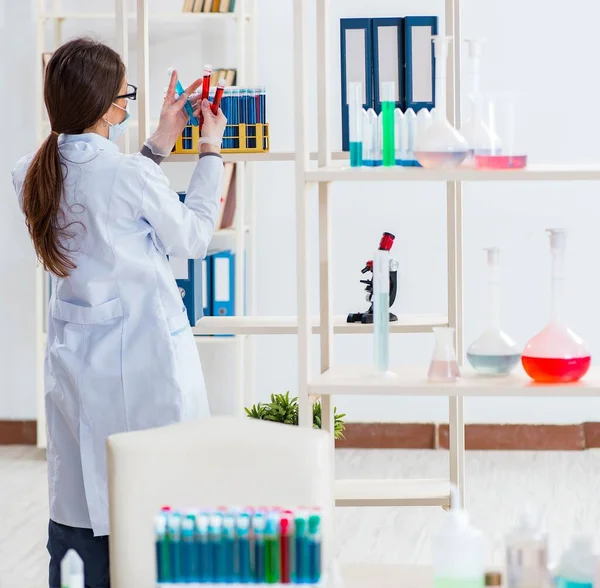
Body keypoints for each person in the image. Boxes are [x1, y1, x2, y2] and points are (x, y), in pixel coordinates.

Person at [11, 37, 227, 587]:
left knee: (83, 513)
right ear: (110, 105)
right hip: (145, 365)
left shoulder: (29, 175)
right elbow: (194, 238)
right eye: (123, 92)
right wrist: (210, 152)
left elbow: (107, 196)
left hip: (77, 370)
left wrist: (158, 142)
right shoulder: (129, 175)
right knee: (156, 507)